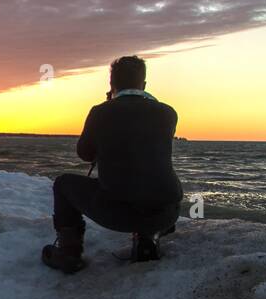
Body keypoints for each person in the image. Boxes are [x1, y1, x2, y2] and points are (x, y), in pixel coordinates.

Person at [42, 55, 183, 272]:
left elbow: (85, 154)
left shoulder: (101, 112)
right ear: (144, 84)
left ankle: (69, 254)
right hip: (166, 213)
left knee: (63, 184)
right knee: (152, 180)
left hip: (119, 213)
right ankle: (148, 237)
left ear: (111, 84)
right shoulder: (168, 113)